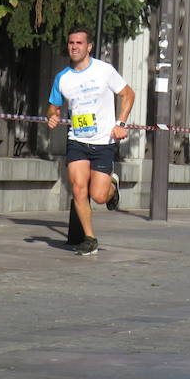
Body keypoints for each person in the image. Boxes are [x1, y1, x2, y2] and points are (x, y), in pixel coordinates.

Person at [46, 27, 135, 256]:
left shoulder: (104, 71)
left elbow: (128, 94)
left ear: (89, 47)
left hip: (104, 141)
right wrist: (52, 117)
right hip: (77, 140)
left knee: (98, 195)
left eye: (79, 43)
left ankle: (112, 189)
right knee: (78, 189)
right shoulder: (62, 78)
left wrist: (121, 124)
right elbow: (52, 108)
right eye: (71, 43)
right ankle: (89, 238)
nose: (74, 47)